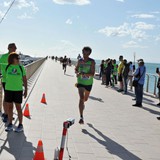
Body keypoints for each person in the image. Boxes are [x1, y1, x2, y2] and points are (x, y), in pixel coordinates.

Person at [4, 53, 27, 132]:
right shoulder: (7, 67)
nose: (18, 59)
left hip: (18, 90)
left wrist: (26, 90)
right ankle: (10, 123)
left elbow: (24, 79)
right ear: (12, 59)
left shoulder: (21, 68)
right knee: (10, 108)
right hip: (8, 90)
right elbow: (5, 79)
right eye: (17, 58)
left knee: (18, 108)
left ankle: (20, 125)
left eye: (18, 58)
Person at [75, 47, 95, 124]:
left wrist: (83, 73)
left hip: (88, 83)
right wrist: (77, 73)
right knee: (81, 98)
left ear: (90, 53)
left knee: (85, 99)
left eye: (87, 53)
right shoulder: (80, 61)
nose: (85, 55)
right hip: (80, 82)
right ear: (82, 52)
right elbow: (76, 69)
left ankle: (82, 106)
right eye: (84, 53)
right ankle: (81, 117)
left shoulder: (92, 62)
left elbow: (92, 74)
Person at [0, 43, 17, 123]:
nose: (16, 49)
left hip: (13, 81)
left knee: (10, 99)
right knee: (7, 98)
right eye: (14, 47)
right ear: (9, 48)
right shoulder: (3, 57)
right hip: (6, 80)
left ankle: (8, 114)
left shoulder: (15, 56)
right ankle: (6, 114)